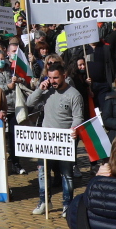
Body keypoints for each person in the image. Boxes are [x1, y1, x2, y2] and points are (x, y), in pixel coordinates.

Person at [27, 60, 91, 216]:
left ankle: (67, 204)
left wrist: (73, 129)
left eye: (55, 78)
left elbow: (78, 117)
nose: (52, 81)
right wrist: (39, 89)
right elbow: (29, 103)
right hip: (46, 139)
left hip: (65, 139)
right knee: (43, 172)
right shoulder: (46, 90)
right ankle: (44, 201)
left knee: (66, 174)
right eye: (50, 77)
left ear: (64, 75)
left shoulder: (74, 94)